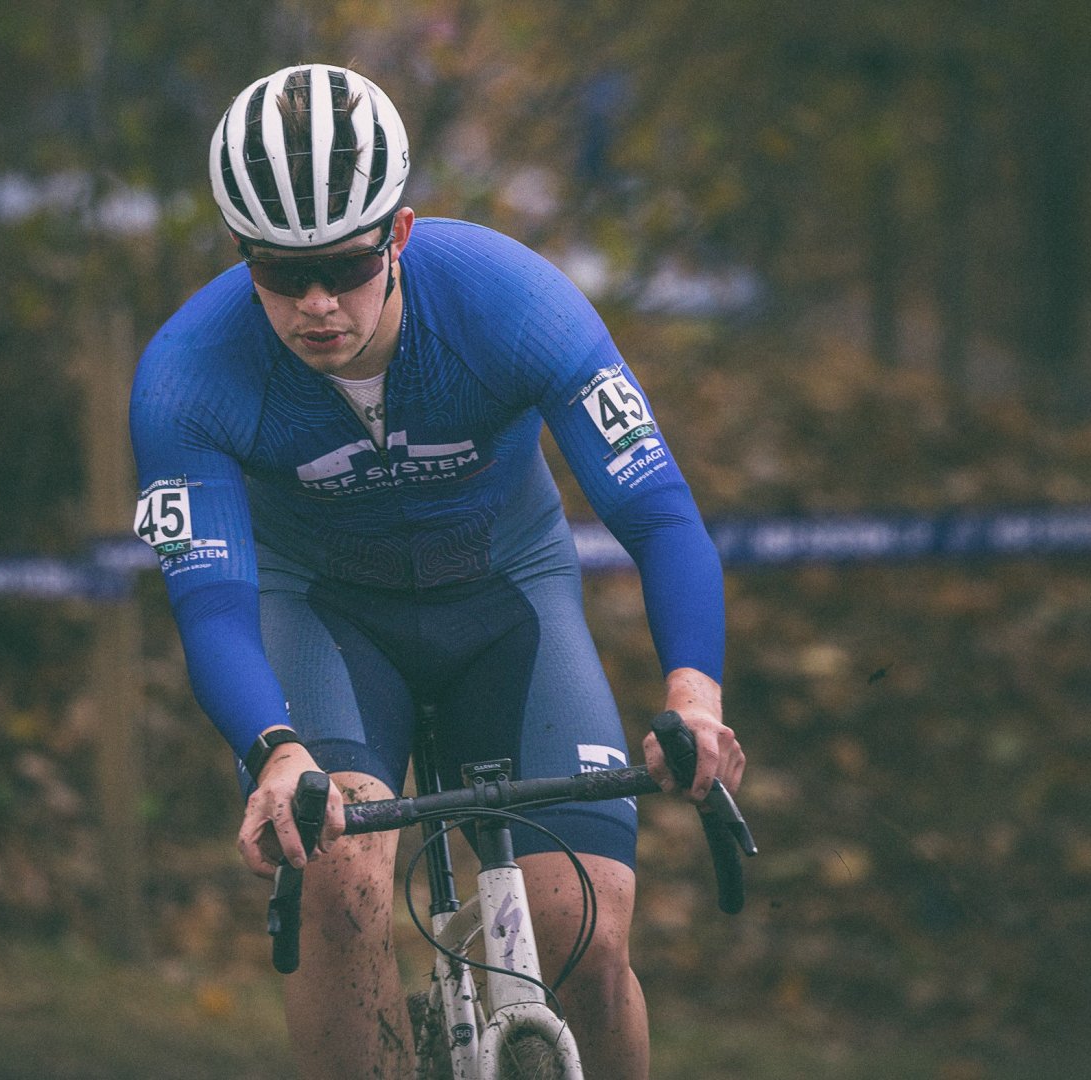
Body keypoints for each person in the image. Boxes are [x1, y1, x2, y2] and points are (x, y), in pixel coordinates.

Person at [129, 63, 743, 1078]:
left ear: (400, 234)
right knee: (341, 882)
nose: (317, 304)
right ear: (242, 253)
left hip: (507, 596)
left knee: (584, 930)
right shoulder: (188, 374)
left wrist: (695, 694)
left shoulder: (512, 300)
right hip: (325, 616)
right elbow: (212, 602)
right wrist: (275, 750)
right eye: (280, 272)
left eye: (345, 265)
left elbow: (660, 513)